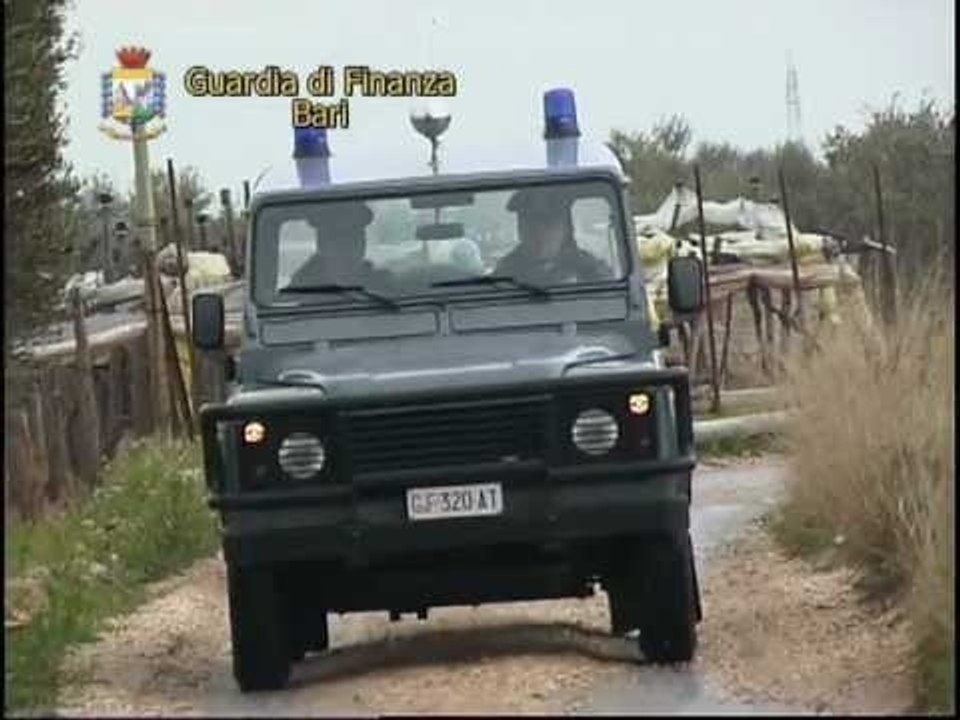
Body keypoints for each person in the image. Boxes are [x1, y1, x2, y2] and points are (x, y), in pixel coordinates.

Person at [494, 188, 613, 285]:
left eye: (548, 224)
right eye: (530, 223)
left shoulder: (589, 269)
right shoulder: (506, 273)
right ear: (520, 228)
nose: (539, 233)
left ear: (566, 228)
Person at [287, 201, 396, 291]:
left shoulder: (380, 284)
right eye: (338, 238)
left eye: (355, 237)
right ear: (322, 244)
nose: (349, 248)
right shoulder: (301, 288)